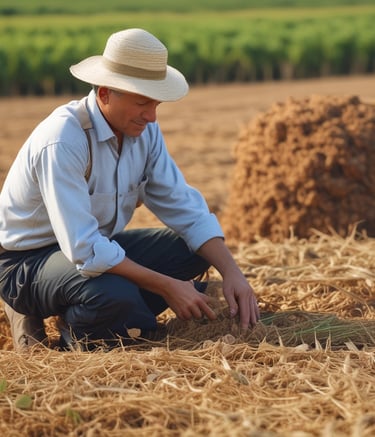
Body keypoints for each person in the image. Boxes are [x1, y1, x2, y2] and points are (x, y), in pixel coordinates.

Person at [0, 28, 259, 351]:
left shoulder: (144, 131)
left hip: (91, 252)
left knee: (191, 249)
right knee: (112, 296)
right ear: (106, 93)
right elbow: (84, 248)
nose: (151, 116)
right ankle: (49, 319)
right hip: (27, 263)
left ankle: (94, 311)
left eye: (156, 105)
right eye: (142, 103)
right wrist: (168, 287)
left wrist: (232, 272)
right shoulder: (63, 139)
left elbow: (182, 205)